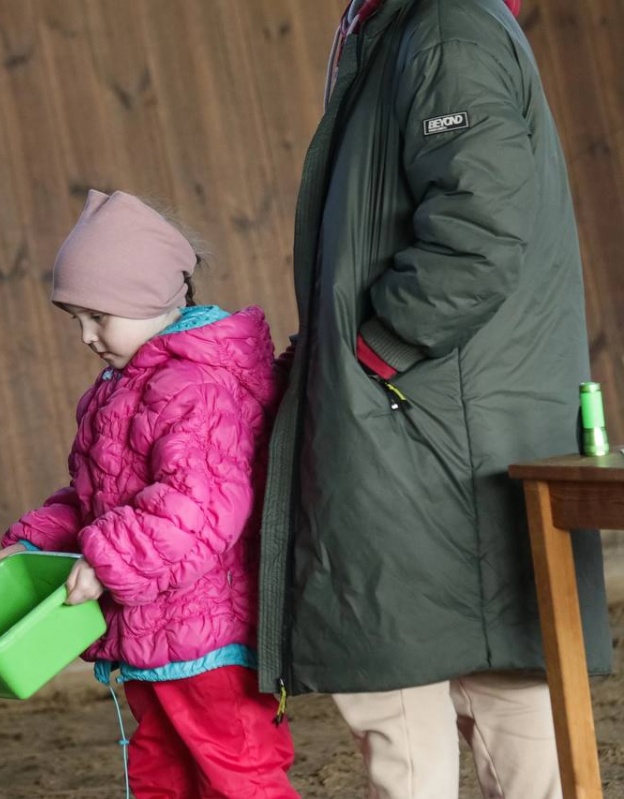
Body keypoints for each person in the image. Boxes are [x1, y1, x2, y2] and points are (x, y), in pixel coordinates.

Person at [257, 1, 613, 797]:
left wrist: (379, 345)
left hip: (425, 424)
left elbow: (482, 223)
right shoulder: (410, 25)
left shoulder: (446, 28)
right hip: (440, 420)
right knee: (495, 682)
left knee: (416, 696)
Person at [0, 190, 297, 799]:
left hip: (212, 640)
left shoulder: (197, 387)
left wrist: (105, 561)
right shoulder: (122, 388)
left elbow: (197, 505)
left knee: (238, 775)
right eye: (75, 319)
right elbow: (97, 496)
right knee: (159, 772)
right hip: (154, 632)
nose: (84, 336)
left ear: (151, 299)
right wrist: (36, 541)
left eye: (98, 317)